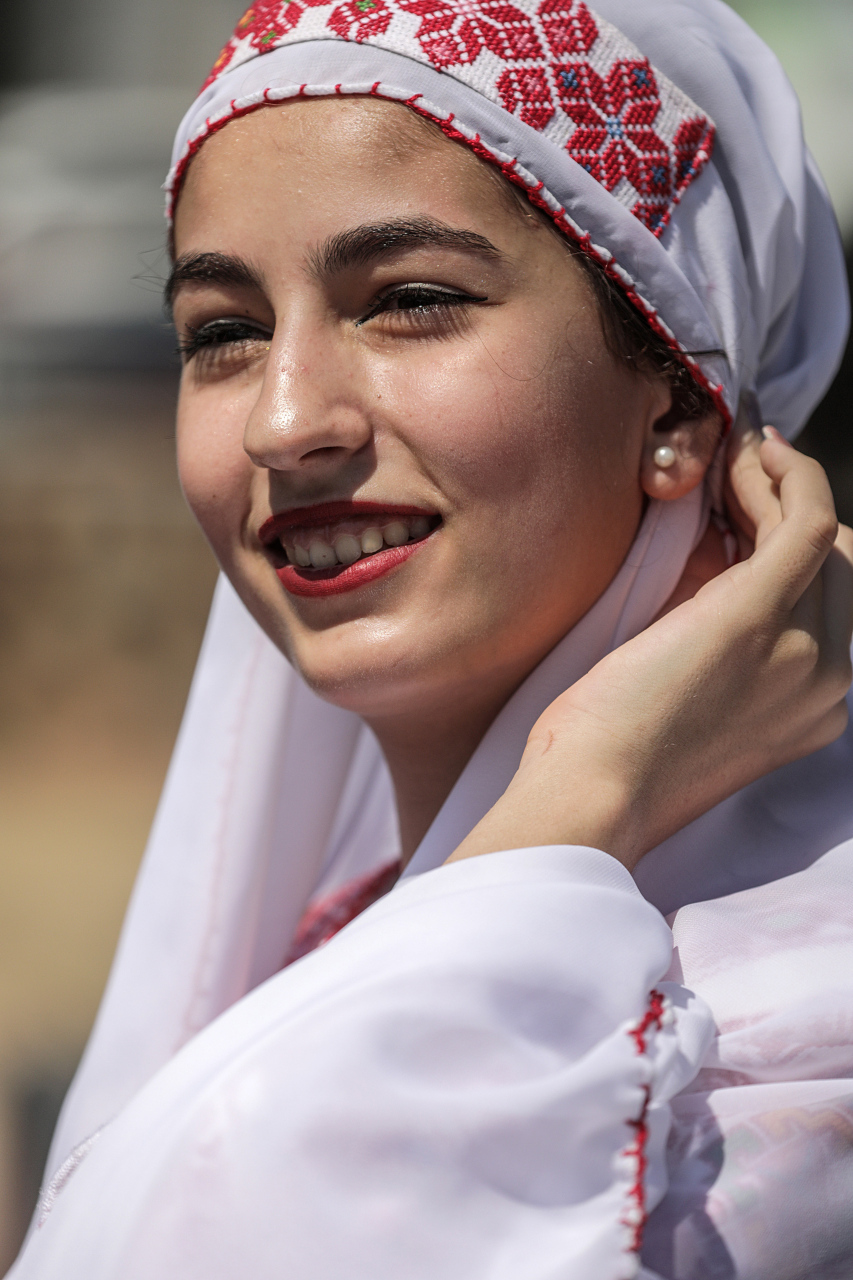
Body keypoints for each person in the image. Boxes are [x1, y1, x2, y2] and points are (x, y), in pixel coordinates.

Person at [9, 1, 853, 1277]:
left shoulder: (788, 1060)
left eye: (407, 300)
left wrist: (576, 807)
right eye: (223, 332)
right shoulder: (347, 933)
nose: (284, 423)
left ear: (677, 394)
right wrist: (571, 812)